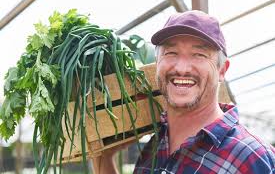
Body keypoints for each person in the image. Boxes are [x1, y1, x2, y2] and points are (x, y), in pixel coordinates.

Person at [96, 10, 275, 174]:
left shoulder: (254, 158)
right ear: (157, 64)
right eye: (171, 52)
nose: (181, 68)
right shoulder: (156, 144)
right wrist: (104, 158)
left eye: (199, 55)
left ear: (222, 70)